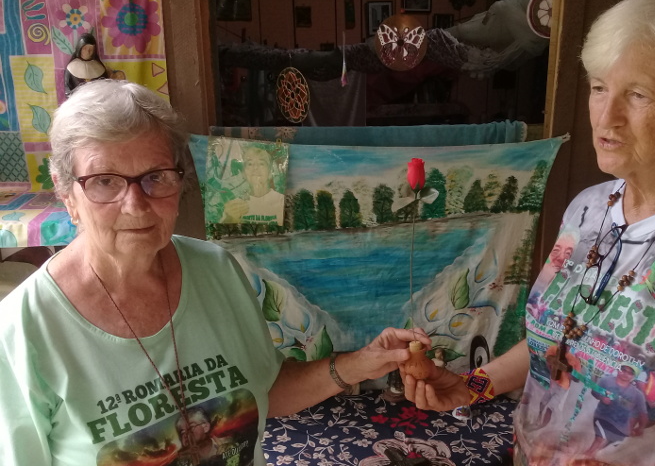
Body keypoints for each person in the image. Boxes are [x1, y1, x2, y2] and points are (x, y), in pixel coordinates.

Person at [401, 0, 655, 465]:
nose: (607, 117)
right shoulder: (588, 208)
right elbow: (557, 339)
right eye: (599, 87)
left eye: (637, 94)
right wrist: (471, 387)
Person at [0, 79, 433, 465]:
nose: (135, 203)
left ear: (180, 181)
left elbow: (266, 388)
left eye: (155, 176)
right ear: (66, 192)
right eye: (104, 181)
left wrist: (360, 364)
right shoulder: (24, 328)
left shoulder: (216, 268)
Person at [586, 364, 648, 457]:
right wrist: (602, 397)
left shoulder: (638, 394)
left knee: (605, 446)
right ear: (618, 370)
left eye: (630, 373)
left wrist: (641, 427)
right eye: (623, 370)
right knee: (600, 439)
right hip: (602, 417)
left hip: (621, 426)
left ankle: (589, 456)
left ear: (633, 376)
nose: (625, 374)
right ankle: (584, 456)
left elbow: (643, 413)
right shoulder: (605, 381)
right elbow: (594, 392)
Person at [221, 146, 285, 225]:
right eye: (250, 164)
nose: (255, 167)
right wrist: (230, 218)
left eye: (262, 163)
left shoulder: (283, 202)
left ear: (270, 173)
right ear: (244, 173)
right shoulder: (235, 205)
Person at [64, 33, 110, 97]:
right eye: (85, 48)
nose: (88, 52)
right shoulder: (71, 67)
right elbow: (68, 90)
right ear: (80, 48)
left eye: (91, 49)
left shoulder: (100, 68)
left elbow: (106, 88)